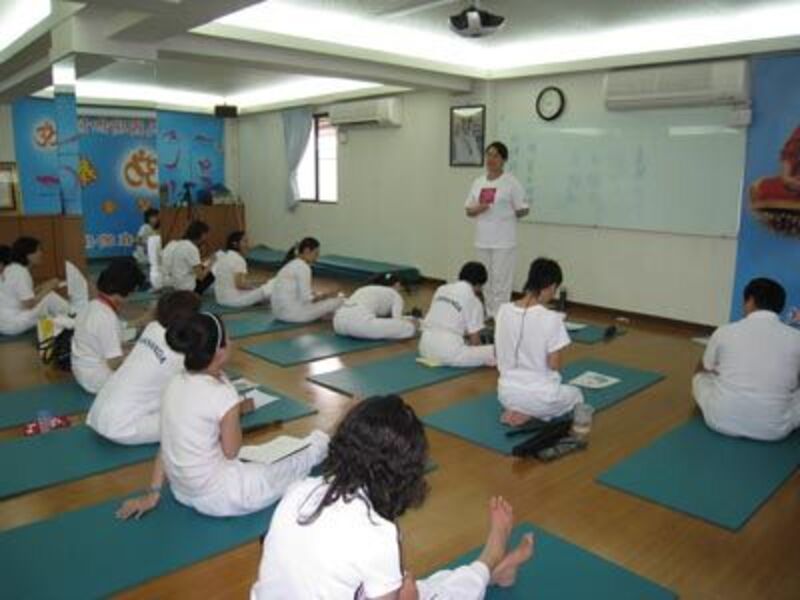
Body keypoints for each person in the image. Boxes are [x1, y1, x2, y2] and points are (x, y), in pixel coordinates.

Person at [251, 395, 534, 599]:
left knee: (421, 587)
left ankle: (493, 573)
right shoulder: (376, 532)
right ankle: (490, 559)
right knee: (430, 595)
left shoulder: (299, 490)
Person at [116, 312, 329, 519]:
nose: (231, 341)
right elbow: (231, 451)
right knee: (293, 462)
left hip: (182, 491)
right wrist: (232, 413)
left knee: (259, 454)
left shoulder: (175, 382)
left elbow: (167, 445)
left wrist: (153, 493)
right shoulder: (223, 394)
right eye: (227, 339)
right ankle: (326, 441)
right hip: (223, 497)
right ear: (218, 351)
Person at [86, 291, 201, 445]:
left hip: (98, 413)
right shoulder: (178, 355)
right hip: (120, 427)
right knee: (194, 417)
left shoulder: (152, 328)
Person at [694, 277, 800, 441]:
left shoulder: (724, 331)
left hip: (720, 420)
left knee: (701, 377)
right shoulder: (796, 337)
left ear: (750, 301)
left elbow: (705, 367)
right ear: (780, 306)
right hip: (773, 430)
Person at [495, 258, 583, 426]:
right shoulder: (552, 318)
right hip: (541, 398)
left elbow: (497, 353)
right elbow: (554, 365)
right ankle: (532, 413)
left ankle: (519, 410)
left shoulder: (503, 310)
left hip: (505, 394)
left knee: (531, 398)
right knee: (576, 394)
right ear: (551, 287)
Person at [464, 141, 530, 319]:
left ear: (504, 160)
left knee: (501, 281)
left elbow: (524, 209)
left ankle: (500, 316)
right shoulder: (478, 182)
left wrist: (511, 211)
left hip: (504, 241)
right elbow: (468, 210)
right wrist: (479, 208)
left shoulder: (511, 182)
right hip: (482, 239)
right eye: (489, 155)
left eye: (496, 156)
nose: (491, 159)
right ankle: (489, 312)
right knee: (485, 279)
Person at [71, 259, 144, 394]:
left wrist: (130, 350)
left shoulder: (92, 305)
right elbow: (114, 363)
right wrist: (135, 355)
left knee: (136, 351)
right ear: (126, 290)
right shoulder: (106, 317)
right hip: (98, 380)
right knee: (149, 367)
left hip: (83, 371)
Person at [419, 261, 495, 367]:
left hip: (424, 347)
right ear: (479, 284)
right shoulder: (474, 301)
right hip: (448, 353)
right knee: (494, 350)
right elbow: (475, 340)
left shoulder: (441, 289)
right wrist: (481, 352)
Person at [0, 237, 70, 336]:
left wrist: (43, 286)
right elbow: (29, 304)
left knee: (47, 298)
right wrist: (48, 288)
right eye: (38, 250)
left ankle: (69, 317)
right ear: (28, 255)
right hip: (12, 323)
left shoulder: (11, 269)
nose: (41, 253)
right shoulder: (20, 272)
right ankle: (73, 316)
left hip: (5, 322)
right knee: (49, 297)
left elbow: (22, 296)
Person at [271, 237, 343, 323]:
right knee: (338, 301)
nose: (317, 258)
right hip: (292, 315)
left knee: (319, 298)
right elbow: (307, 299)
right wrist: (327, 295)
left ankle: (323, 314)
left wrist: (319, 296)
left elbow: (300, 294)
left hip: (278, 313)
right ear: (307, 251)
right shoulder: (304, 267)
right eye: (316, 254)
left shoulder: (291, 264)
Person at [332, 273, 417, 340]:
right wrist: (412, 322)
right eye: (402, 290)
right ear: (397, 285)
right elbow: (397, 319)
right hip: (359, 326)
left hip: (338, 324)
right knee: (408, 328)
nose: (401, 292)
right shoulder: (395, 294)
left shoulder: (364, 288)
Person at [213, 231, 274, 308]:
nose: (248, 245)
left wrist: (257, 283)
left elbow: (237, 282)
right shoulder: (238, 259)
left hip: (221, 299)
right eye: (245, 241)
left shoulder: (225, 256)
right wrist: (255, 287)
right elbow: (240, 284)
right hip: (233, 300)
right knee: (270, 286)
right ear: (235, 244)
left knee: (259, 290)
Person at [161, 220, 215, 295]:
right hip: (187, 288)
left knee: (203, 268)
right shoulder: (192, 248)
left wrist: (206, 261)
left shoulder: (179, 244)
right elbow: (201, 276)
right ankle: (195, 295)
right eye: (206, 235)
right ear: (202, 235)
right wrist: (212, 262)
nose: (207, 238)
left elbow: (192, 265)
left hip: (175, 284)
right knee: (212, 273)